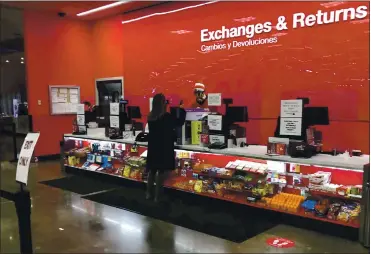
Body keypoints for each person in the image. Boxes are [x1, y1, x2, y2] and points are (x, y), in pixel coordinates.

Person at [146, 93, 186, 202]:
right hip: (163, 146)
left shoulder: (150, 116)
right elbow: (179, 122)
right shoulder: (166, 116)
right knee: (161, 171)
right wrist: (181, 110)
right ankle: (157, 196)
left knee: (152, 170)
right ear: (163, 103)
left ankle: (148, 193)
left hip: (153, 146)